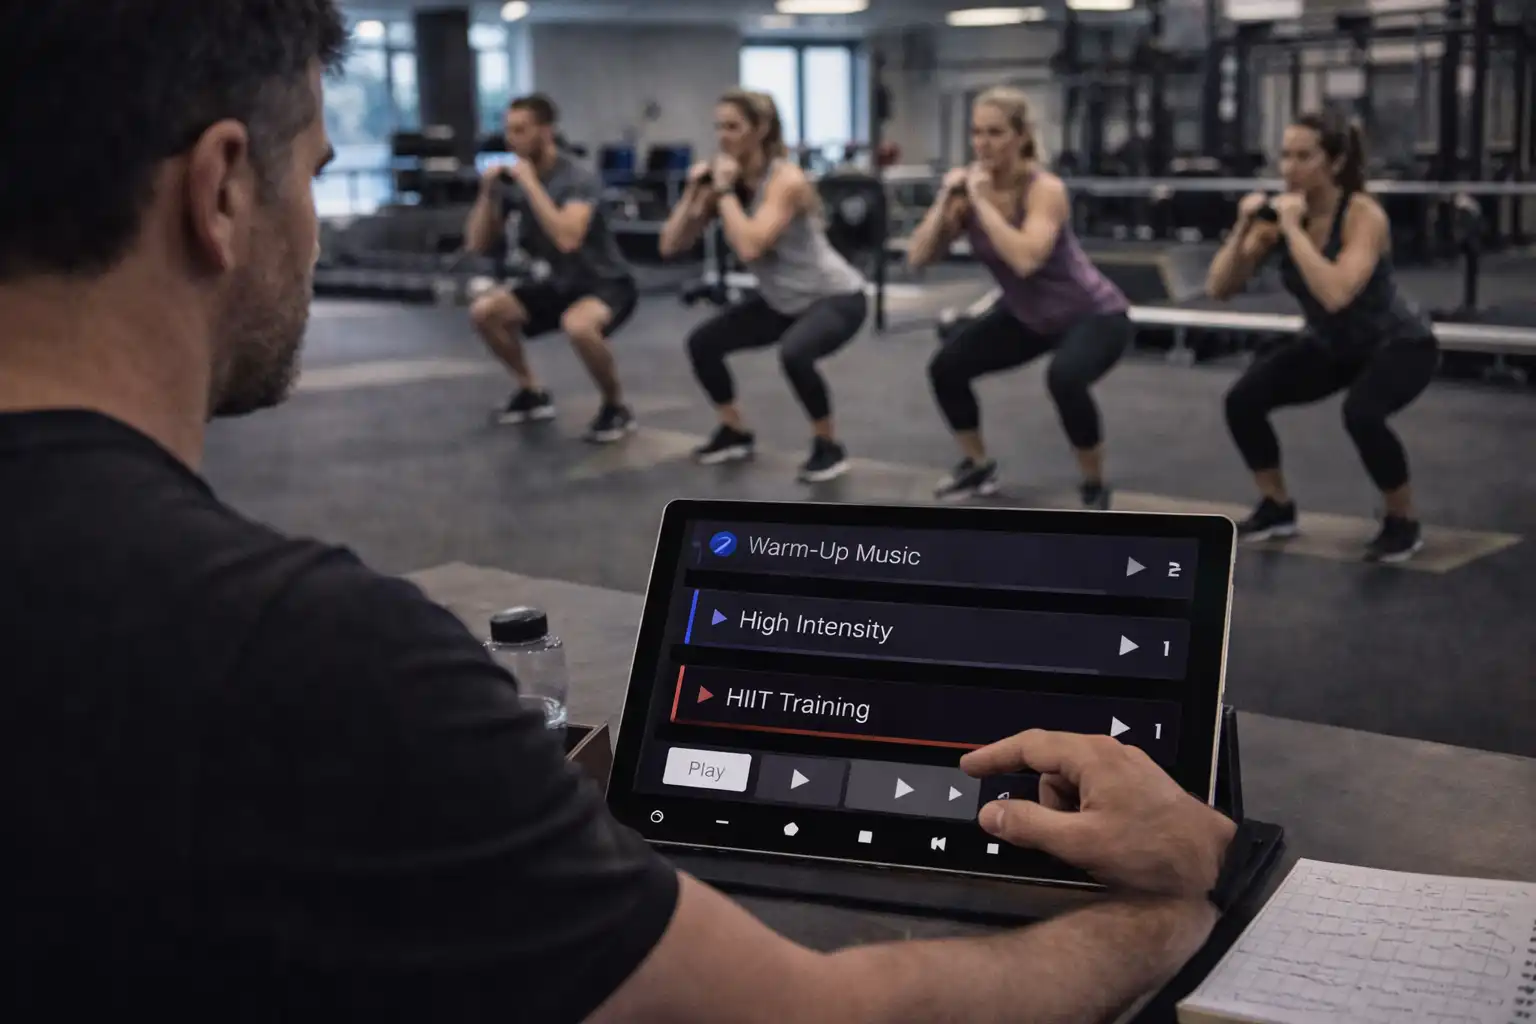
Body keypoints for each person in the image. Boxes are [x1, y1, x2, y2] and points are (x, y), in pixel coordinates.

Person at [1, 3, 1240, 1018]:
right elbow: (805, 1019)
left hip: (950, 311)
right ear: (222, 190)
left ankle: (804, 429)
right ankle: (767, 424)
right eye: (313, 178)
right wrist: (1168, 909)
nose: (315, 229)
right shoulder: (313, 664)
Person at [1205, 110, 1438, 562]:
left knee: (1362, 413)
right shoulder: (1276, 219)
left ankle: (1402, 522)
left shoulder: (1362, 215)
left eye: (1303, 157)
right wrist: (1241, 230)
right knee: (1243, 400)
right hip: (1334, 345)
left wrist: (1293, 231)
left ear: (1332, 163)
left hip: (1400, 343)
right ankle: (1276, 507)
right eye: (1285, 156)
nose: (1289, 168)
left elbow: (1335, 294)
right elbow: (1219, 289)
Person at [907, 87, 1133, 507]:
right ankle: (977, 467)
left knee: (1065, 379)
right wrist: (944, 203)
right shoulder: (967, 192)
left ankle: (1094, 486)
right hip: (1029, 317)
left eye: (994, 133)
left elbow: (1026, 259)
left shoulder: (1044, 189)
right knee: (947, 368)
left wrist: (978, 200)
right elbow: (918, 258)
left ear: (1021, 136)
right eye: (976, 133)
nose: (982, 144)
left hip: (1094, 315)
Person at [659, 89, 868, 484]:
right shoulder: (727, 180)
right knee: (703, 344)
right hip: (781, 301)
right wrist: (692, 195)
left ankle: (828, 446)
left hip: (835, 297)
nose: (723, 136)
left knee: (795, 353)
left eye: (734, 127)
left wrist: (721, 193)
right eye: (719, 127)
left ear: (761, 130)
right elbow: (670, 246)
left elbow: (752, 244)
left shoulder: (785, 180)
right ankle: (734, 431)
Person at [464, 94, 639, 444]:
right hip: (560, 283)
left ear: (546, 131)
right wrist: (488, 194)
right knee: (486, 312)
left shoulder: (578, 177)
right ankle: (532, 392)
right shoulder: (513, 180)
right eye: (508, 131)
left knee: (579, 326)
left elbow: (567, 239)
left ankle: (616, 406)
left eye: (521, 130)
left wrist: (530, 185)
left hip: (606, 283)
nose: (511, 139)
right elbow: (477, 244)